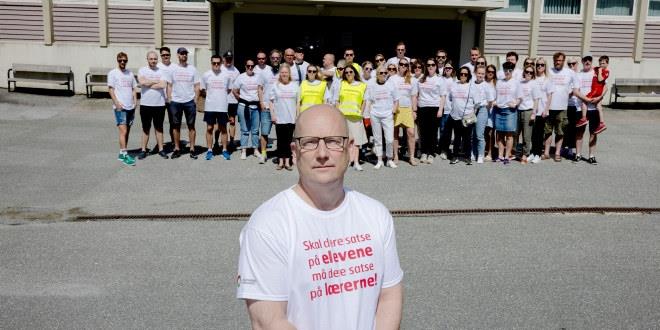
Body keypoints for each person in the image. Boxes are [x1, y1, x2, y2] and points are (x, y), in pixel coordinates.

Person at [236, 104, 404, 330]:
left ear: (350, 148)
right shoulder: (267, 225)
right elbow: (269, 321)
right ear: (294, 152)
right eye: (310, 143)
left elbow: (389, 296)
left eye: (334, 141)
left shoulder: (376, 215)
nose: (322, 153)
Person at [544, 52, 587, 162]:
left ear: (563, 61)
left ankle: (557, 153)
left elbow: (576, 90)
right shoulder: (548, 72)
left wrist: (586, 99)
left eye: (560, 60)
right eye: (556, 60)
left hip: (562, 107)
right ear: (553, 61)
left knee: (560, 131)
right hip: (548, 107)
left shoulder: (570, 73)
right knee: (548, 131)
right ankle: (546, 153)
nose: (558, 62)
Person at [167, 47, 200, 159]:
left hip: (189, 101)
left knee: (191, 126)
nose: (184, 55)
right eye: (182, 54)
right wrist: (169, 99)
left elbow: (197, 85)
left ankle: (192, 148)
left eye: (185, 54)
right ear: (178, 55)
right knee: (176, 126)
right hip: (176, 101)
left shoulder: (192, 69)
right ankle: (177, 148)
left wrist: (195, 99)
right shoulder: (173, 69)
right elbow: (169, 85)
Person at [333, 65, 368, 171]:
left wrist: (361, 112)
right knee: (345, 141)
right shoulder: (341, 84)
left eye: (351, 72)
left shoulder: (362, 85)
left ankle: (356, 162)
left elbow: (364, 101)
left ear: (355, 73)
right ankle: (347, 161)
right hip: (343, 116)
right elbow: (337, 100)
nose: (348, 74)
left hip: (356, 117)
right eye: (346, 72)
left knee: (356, 141)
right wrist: (338, 113)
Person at [137, 50, 169, 160]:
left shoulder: (162, 71)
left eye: (155, 59)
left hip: (159, 104)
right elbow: (142, 82)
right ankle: (143, 150)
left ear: (157, 59)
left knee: (159, 128)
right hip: (145, 104)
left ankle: (161, 149)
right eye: (151, 59)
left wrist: (148, 82)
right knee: (146, 128)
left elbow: (163, 84)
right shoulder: (142, 70)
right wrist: (156, 82)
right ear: (147, 59)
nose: (153, 61)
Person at [365, 65, 399, 169]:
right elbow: (369, 100)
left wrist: (393, 111)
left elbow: (396, 99)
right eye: (381, 73)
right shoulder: (372, 85)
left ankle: (389, 159)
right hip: (375, 114)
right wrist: (369, 113)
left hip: (387, 115)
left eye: (385, 73)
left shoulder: (391, 84)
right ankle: (379, 160)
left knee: (389, 139)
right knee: (377, 139)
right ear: (377, 75)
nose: (383, 74)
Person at [446, 66, 481, 165]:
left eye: (465, 74)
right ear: (458, 74)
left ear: (468, 75)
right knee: (457, 138)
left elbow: (477, 103)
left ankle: (467, 157)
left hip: (467, 117)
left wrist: (473, 113)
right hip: (455, 116)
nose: (463, 76)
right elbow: (450, 99)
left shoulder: (472, 87)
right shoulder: (454, 85)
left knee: (467, 138)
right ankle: (455, 156)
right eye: (461, 74)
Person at [108, 52, 138, 166]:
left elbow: (134, 88)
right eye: (120, 60)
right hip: (120, 107)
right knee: (123, 131)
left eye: (124, 60)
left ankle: (122, 152)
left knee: (127, 131)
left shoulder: (129, 73)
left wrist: (135, 101)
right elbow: (110, 89)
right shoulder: (113, 73)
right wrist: (116, 103)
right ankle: (125, 156)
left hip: (130, 106)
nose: (122, 62)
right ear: (117, 60)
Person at [233, 59, 265, 162]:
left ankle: (255, 149)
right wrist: (241, 99)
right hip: (243, 106)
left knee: (255, 130)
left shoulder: (258, 77)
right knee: (245, 129)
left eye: (252, 66)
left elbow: (261, 90)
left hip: (255, 107)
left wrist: (261, 103)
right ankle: (244, 150)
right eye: (248, 66)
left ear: (254, 66)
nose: (250, 68)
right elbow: (234, 90)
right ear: (245, 66)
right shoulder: (240, 77)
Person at [201, 54, 232, 161]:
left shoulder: (226, 75)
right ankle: (209, 150)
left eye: (218, 63)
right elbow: (203, 90)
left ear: (221, 63)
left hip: (222, 107)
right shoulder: (206, 75)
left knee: (223, 129)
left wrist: (220, 97)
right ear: (211, 63)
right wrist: (212, 97)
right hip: (210, 107)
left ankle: (224, 150)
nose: (216, 65)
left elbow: (229, 90)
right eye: (214, 63)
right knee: (209, 128)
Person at [416, 57, 446, 164]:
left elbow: (443, 96)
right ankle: (424, 152)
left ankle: (431, 153)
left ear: (436, 66)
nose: (430, 67)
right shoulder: (421, 79)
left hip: (434, 108)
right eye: (428, 65)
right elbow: (417, 95)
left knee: (433, 132)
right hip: (422, 108)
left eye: (433, 65)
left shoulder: (440, 79)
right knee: (423, 132)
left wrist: (440, 110)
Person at [390, 59, 419, 165]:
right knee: (395, 133)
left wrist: (414, 110)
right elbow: (390, 94)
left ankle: (411, 157)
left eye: (405, 64)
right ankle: (395, 156)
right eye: (401, 64)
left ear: (408, 66)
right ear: (398, 65)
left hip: (407, 108)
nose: (403, 66)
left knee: (411, 133)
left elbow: (414, 96)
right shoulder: (392, 79)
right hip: (396, 108)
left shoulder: (412, 79)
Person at [269, 63, 298, 170]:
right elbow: (271, 101)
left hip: (291, 117)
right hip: (279, 117)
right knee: (280, 140)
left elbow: (298, 102)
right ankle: (281, 161)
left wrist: (297, 115)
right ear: (279, 74)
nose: (284, 74)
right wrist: (272, 115)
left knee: (289, 140)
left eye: (286, 72)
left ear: (289, 73)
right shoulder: (275, 85)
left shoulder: (295, 85)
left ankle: (288, 161)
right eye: (282, 72)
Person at [494, 61, 522, 164]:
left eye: (510, 70)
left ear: (513, 71)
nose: (507, 72)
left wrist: (516, 103)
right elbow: (495, 95)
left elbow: (520, 97)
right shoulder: (499, 82)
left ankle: (507, 156)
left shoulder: (516, 82)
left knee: (509, 135)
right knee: (500, 134)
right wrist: (495, 102)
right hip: (499, 110)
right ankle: (500, 156)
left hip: (510, 111)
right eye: (506, 70)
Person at [529, 57, 554, 164]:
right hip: (531, 110)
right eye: (538, 65)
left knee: (539, 134)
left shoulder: (548, 80)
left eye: (542, 65)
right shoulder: (532, 79)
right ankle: (532, 152)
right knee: (532, 134)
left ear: (545, 67)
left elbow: (550, 96)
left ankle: (538, 154)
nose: (539, 66)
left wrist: (546, 109)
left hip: (541, 111)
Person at [515, 65, 541, 164]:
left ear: (533, 74)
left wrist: (534, 113)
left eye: (531, 72)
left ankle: (525, 154)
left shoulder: (534, 84)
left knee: (526, 135)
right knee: (516, 133)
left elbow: (536, 99)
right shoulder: (520, 83)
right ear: (524, 72)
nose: (528, 74)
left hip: (528, 111)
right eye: (527, 71)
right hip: (519, 110)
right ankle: (517, 152)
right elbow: (518, 97)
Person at [576, 55, 609, 134]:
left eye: (589, 60)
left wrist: (600, 97)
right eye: (585, 60)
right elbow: (575, 91)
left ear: (591, 61)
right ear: (582, 61)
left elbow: (605, 87)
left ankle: (585, 119)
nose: (587, 62)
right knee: (579, 134)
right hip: (580, 109)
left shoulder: (597, 71)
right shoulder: (579, 74)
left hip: (594, 102)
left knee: (593, 133)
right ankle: (601, 122)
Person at [472, 65, 495, 164]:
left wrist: (485, 110)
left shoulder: (487, 86)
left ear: (484, 74)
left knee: (479, 134)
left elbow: (490, 101)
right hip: (472, 110)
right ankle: (473, 152)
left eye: (482, 73)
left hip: (482, 109)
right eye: (479, 73)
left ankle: (481, 154)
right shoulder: (471, 84)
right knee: (472, 133)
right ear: (475, 73)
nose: (480, 75)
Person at [221, 51, 241, 150]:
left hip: (233, 101)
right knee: (220, 123)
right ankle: (218, 142)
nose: (228, 60)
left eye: (230, 58)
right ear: (223, 58)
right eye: (227, 58)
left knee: (232, 122)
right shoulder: (219, 69)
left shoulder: (236, 71)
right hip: (222, 101)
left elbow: (239, 86)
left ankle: (232, 142)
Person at [157, 47, 175, 152]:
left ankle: (174, 143)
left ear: (170, 55)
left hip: (172, 99)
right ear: (161, 56)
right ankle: (160, 145)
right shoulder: (157, 67)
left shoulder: (174, 67)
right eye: (163, 55)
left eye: (167, 54)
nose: (165, 56)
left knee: (173, 123)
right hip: (159, 99)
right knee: (159, 123)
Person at [437, 62, 455, 160]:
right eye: (446, 68)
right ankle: (440, 147)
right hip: (440, 108)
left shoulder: (455, 81)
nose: (447, 69)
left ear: (452, 70)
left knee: (447, 131)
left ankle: (445, 149)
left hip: (449, 109)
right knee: (440, 129)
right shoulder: (440, 79)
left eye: (449, 68)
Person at [483, 64, 498, 161]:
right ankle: (482, 150)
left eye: (492, 72)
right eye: (488, 71)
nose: (490, 73)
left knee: (491, 133)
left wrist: (494, 102)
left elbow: (500, 97)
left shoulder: (497, 84)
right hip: (483, 110)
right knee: (483, 132)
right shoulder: (483, 83)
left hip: (493, 111)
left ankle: (490, 153)